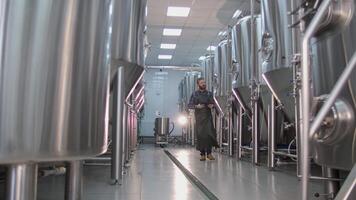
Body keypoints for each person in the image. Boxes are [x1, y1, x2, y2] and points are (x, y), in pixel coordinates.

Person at [188, 77, 219, 161]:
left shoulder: (209, 93)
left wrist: (212, 106)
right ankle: (202, 154)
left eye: (204, 82)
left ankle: (209, 153)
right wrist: (196, 106)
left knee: (209, 134)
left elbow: (214, 103)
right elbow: (190, 105)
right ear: (198, 84)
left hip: (208, 116)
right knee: (201, 135)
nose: (204, 84)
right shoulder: (194, 94)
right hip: (199, 117)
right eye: (202, 83)